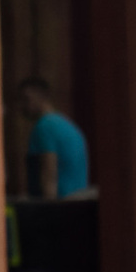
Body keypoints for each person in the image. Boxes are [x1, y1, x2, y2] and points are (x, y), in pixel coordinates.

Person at [18, 72, 90, 200]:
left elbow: (49, 172)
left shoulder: (44, 126)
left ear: (41, 96)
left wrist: (48, 210)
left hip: (60, 204)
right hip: (78, 201)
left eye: (26, 99)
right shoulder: (65, 124)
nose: (22, 106)